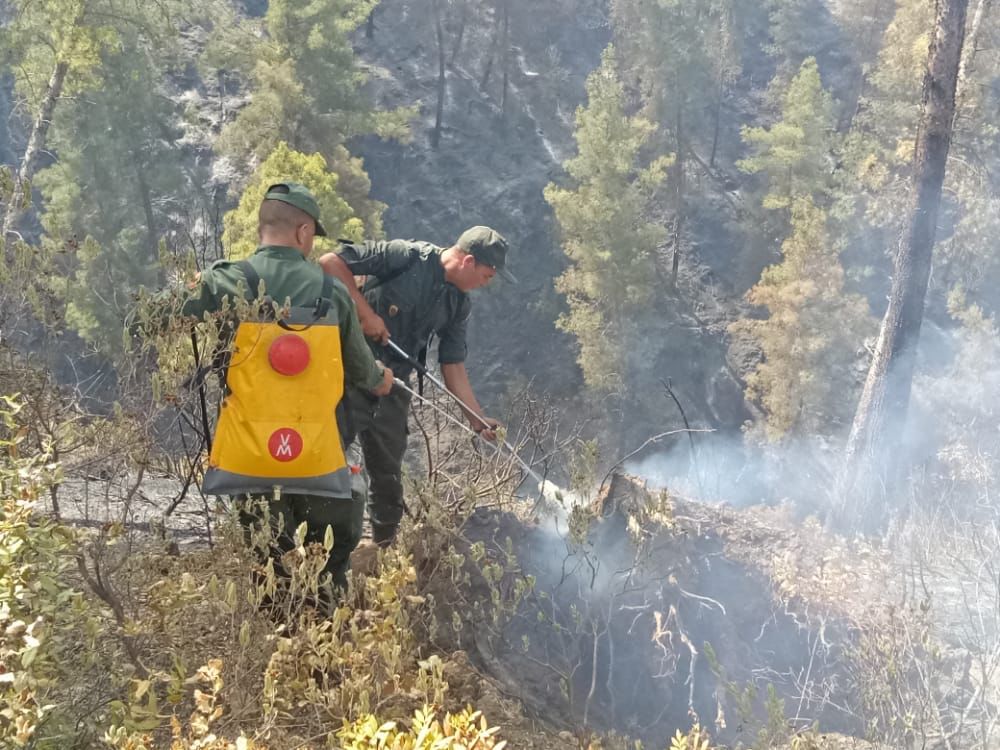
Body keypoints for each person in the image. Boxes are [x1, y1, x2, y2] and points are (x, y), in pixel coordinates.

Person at [171, 182, 394, 592]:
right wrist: (384, 379)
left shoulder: (226, 280)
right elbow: (364, 373)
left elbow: (149, 319)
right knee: (327, 564)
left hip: (249, 462)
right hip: (316, 460)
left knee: (268, 563)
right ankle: (321, 637)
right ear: (304, 231)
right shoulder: (333, 292)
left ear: (263, 227)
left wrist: (194, 286)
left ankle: (274, 638)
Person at [319, 226, 514, 547]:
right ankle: (317, 548)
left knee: (388, 476)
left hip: (394, 384)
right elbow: (330, 262)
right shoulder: (405, 256)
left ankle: (382, 553)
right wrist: (365, 314)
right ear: (468, 261)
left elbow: (452, 366)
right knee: (325, 456)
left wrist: (477, 420)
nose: (486, 283)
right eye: (487, 275)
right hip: (348, 371)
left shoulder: (458, 305)